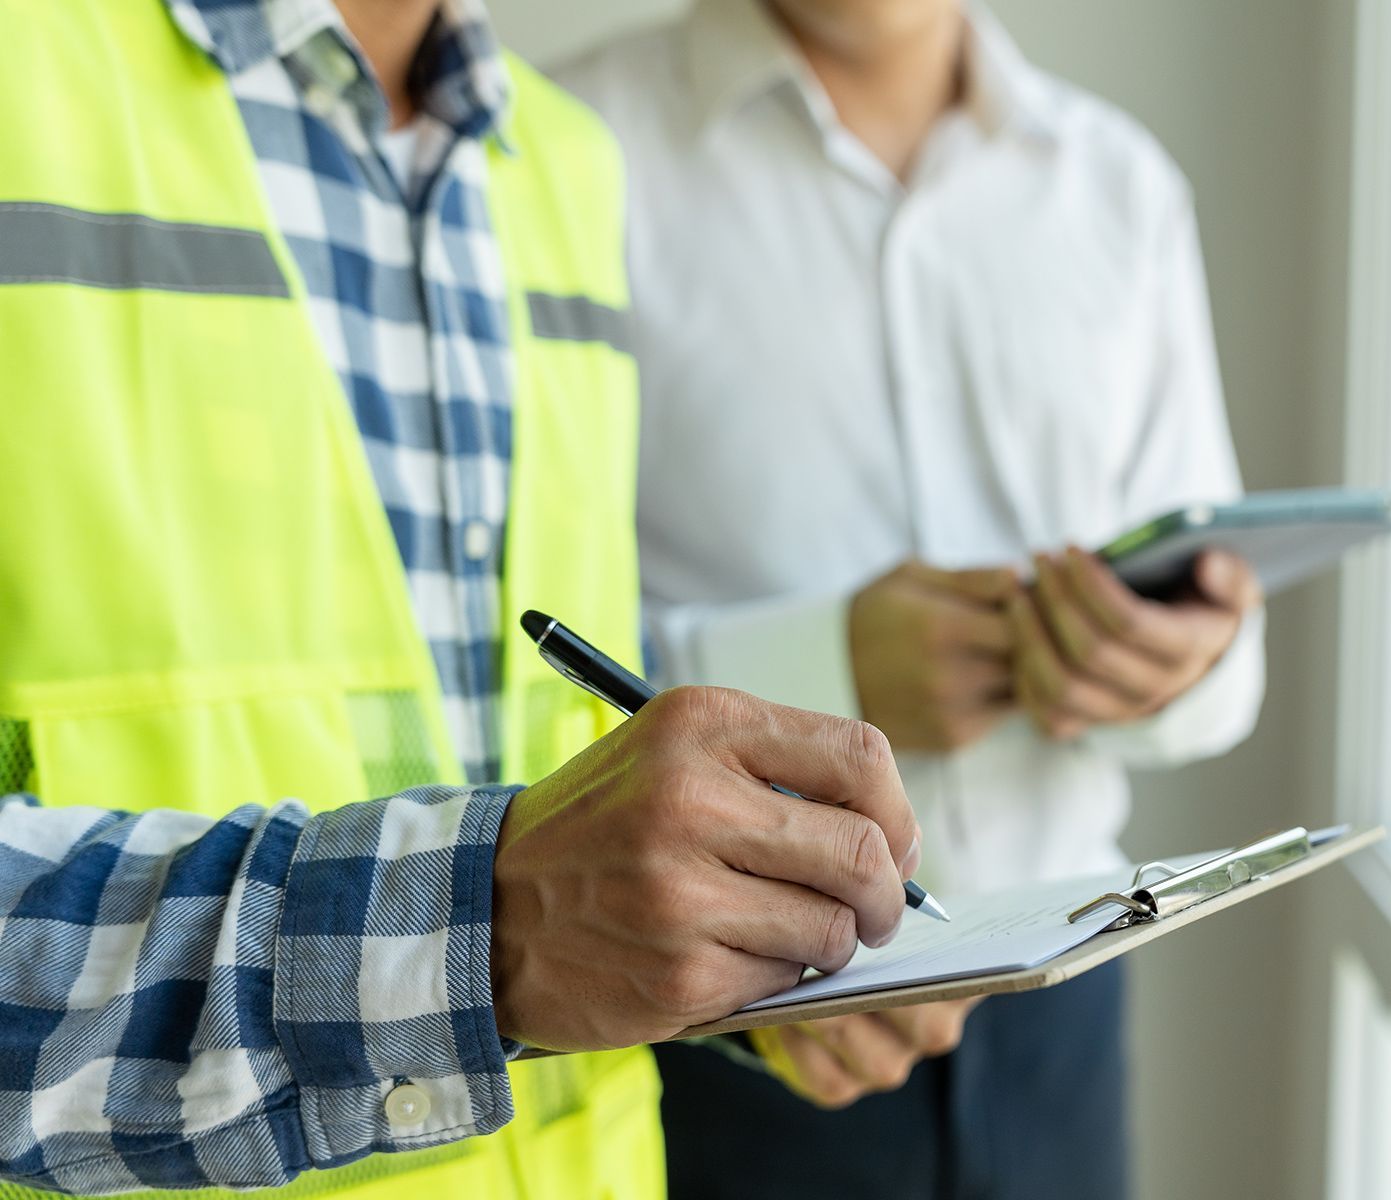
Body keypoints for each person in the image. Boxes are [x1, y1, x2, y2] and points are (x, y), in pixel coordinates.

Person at [0, 0, 936, 1194]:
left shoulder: (560, 162)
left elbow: (534, 735)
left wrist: (727, 931)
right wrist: (482, 934)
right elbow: (509, 900)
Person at [556, 1, 1266, 1195]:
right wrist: (828, 670)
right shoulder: (570, 150)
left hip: (1066, 1008)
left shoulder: (1121, 188)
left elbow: (1224, 662)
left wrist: (1171, 665)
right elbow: (506, 651)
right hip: (734, 1014)